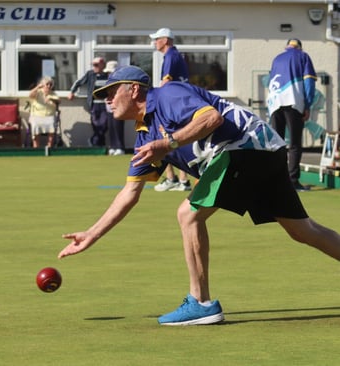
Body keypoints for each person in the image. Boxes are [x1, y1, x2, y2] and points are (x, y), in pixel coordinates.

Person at [58, 66, 340, 326]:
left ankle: (202, 303)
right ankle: (202, 303)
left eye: (110, 92)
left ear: (133, 89)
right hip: (264, 151)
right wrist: (91, 234)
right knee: (303, 230)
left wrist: (168, 143)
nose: (106, 100)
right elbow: (130, 192)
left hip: (245, 146)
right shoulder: (144, 137)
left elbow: (212, 118)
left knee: (188, 215)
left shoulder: (168, 95)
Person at [267, 38, 317, 191]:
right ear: (299, 47)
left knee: (277, 144)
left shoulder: (276, 58)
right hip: (293, 101)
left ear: (287, 46)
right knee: (295, 144)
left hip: (274, 103)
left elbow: (270, 81)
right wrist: (307, 105)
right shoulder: (303, 56)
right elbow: (309, 82)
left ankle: (276, 181)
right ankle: (293, 181)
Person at [150, 28, 191, 192]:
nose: (155, 42)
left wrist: (156, 99)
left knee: (165, 138)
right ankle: (180, 179)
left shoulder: (170, 56)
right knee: (176, 140)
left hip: (174, 103)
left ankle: (173, 179)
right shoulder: (174, 55)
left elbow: (165, 82)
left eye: (157, 39)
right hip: (179, 102)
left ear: (165, 40)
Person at [68, 57, 108, 147]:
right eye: (93, 65)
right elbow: (78, 82)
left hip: (105, 104)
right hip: (94, 104)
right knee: (96, 125)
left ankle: (93, 140)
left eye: (96, 65)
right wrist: (72, 92)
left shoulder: (107, 75)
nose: (94, 67)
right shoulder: (90, 74)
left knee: (104, 125)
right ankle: (100, 145)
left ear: (102, 65)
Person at [28, 76, 60, 148]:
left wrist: (50, 101)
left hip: (49, 116)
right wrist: (37, 87)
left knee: (51, 124)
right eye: (47, 84)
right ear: (43, 85)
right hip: (36, 115)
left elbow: (57, 102)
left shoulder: (53, 94)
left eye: (50, 84)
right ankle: (36, 147)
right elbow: (30, 95)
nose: (49, 86)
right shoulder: (38, 92)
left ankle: (49, 147)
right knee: (35, 125)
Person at [104, 60, 125, 155]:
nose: (109, 73)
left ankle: (120, 147)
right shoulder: (108, 81)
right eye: (108, 72)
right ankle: (113, 146)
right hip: (109, 107)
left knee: (118, 127)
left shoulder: (120, 81)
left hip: (119, 107)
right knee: (111, 127)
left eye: (110, 72)